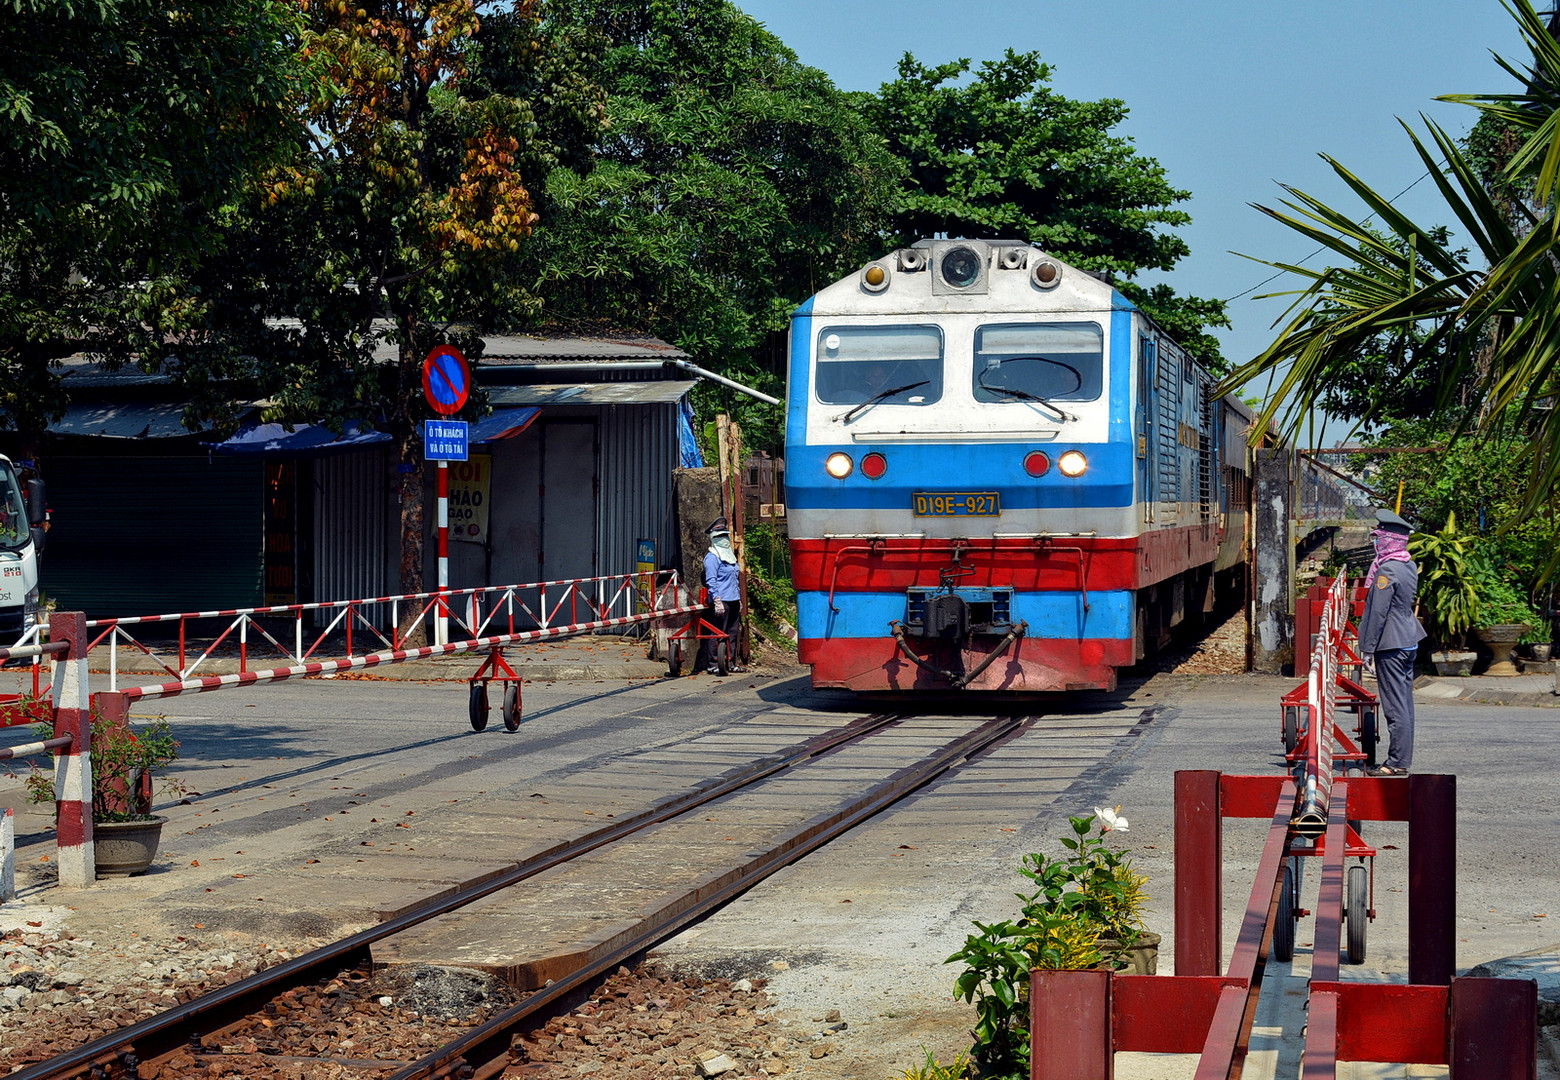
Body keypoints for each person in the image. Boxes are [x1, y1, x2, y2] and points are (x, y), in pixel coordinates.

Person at [1356, 508, 1426, 776]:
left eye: (1379, 538)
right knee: (1405, 705)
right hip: (1408, 639)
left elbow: (1378, 614)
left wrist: (1367, 647)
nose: (1376, 542)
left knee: (1395, 707)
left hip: (1391, 643)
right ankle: (1400, 759)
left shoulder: (1387, 570)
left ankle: (1396, 763)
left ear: (1388, 540)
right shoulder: (1408, 564)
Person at [699, 516, 745, 675]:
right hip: (722, 600)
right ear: (713, 539)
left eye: (726, 535)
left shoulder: (730, 558)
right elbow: (711, 581)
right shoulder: (712, 558)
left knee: (732, 633)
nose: (724, 539)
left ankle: (730, 662)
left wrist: (738, 600)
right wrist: (716, 600)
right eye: (720, 536)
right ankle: (713, 664)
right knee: (717, 632)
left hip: (732, 599)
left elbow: (735, 580)